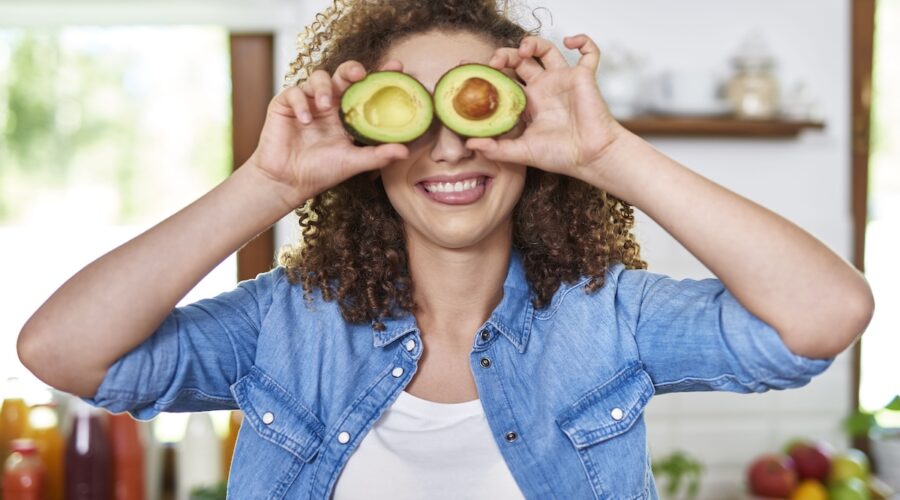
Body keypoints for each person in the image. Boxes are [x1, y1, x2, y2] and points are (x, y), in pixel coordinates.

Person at [17, 1, 874, 498]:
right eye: (411, 117)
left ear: (523, 128)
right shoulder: (281, 324)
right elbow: (60, 350)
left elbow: (825, 315)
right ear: (367, 152)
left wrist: (611, 156)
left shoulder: (610, 317)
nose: (450, 147)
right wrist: (268, 187)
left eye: (473, 109)